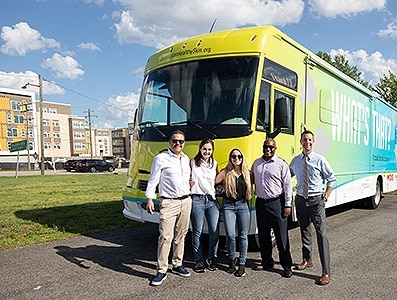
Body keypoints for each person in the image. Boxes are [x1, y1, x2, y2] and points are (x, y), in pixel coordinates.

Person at [145, 130, 192, 286]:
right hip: (169, 203)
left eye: (181, 141)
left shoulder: (186, 159)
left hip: (186, 201)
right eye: (175, 141)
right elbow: (153, 180)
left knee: (181, 235)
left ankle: (177, 264)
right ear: (169, 142)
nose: (178, 144)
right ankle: (161, 270)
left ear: (184, 143)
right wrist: (150, 199)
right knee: (165, 236)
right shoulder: (161, 159)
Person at [290, 130, 336, 285]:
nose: (307, 142)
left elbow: (331, 178)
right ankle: (307, 260)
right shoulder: (296, 160)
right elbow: (287, 175)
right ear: (301, 142)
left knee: (321, 235)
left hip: (317, 201)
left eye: (309, 140)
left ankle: (326, 272)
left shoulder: (320, 160)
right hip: (301, 200)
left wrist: (326, 196)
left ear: (313, 141)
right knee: (304, 231)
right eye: (304, 140)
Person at [251, 138, 293, 278]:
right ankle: (267, 262)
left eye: (271, 147)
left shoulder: (281, 164)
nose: (268, 149)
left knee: (281, 237)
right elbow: (250, 180)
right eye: (265, 146)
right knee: (263, 235)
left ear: (275, 148)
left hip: (277, 203)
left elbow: (287, 185)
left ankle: (286, 266)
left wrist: (287, 204)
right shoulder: (257, 163)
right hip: (261, 203)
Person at [215, 148, 251, 277]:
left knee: (243, 236)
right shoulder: (225, 172)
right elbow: (211, 182)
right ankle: (231, 259)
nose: (236, 159)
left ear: (242, 158)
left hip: (243, 205)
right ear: (230, 158)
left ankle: (242, 263)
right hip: (228, 206)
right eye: (233, 156)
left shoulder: (247, 173)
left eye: (239, 156)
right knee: (230, 235)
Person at [190, 138, 220, 273]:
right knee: (197, 231)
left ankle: (211, 258)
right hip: (197, 199)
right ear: (200, 148)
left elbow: (216, 180)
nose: (207, 151)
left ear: (212, 151)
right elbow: (186, 177)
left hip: (211, 200)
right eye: (204, 149)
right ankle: (198, 260)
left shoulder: (214, 163)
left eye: (209, 149)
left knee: (214, 231)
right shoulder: (192, 162)